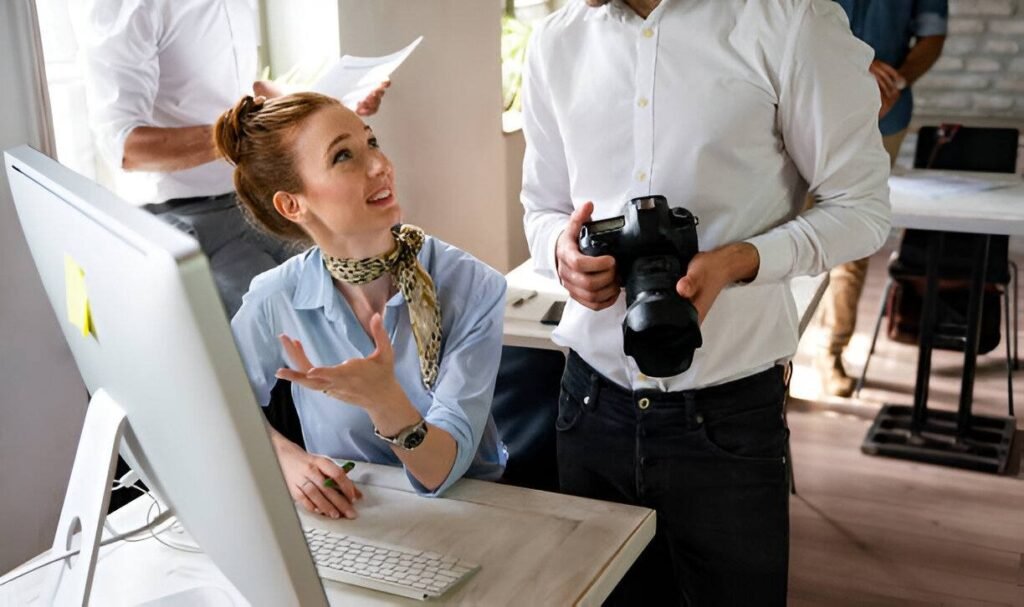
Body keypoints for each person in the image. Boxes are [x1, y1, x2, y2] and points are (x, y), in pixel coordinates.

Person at [520, 0, 891, 604]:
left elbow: (862, 209)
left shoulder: (791, 22)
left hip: (727, 421)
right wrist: (560, 253)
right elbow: (542, 206)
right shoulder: (556, 41)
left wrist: (740, 261)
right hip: (588, 406)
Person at [215, 93, 507, 517]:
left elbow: (440, 472)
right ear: (292, 204)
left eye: (371, 142)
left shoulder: (472, 287)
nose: (380, 165)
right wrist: (283, 456)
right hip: (350, 515)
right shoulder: (275, 297)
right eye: (343, 156)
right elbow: (219, 403)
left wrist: (384, 400)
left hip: (474, 514)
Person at [73, 0, 388, 317]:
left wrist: (332, 105)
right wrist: (237, 134)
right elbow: (127, 148)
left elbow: (248, 90)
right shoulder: (127, 8)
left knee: (358, 298)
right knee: (283, 330)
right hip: (183, 217)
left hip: (251, 196)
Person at [818, 0, 948, 397]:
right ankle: (776, 362)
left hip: (883, 118)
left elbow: (932, 35)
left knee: (851, 235)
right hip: (808, 108)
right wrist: (852, 63)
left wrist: (897, 79)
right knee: (784, 226)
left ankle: (831, 353)